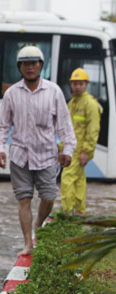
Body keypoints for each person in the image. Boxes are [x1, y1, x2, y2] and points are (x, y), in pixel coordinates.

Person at [0, 45, 77, 256]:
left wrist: (68, 149)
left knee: (48, 197)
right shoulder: (12, 93)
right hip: (20, 155)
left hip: (47, 155)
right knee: (23, 199)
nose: (30, 67)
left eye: (34, 63)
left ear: (41, 65)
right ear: (20, 67)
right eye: (25, 64)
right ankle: (28, 243)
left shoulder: (53, 91)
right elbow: (3, 125)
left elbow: (64, 124)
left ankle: (38, 224)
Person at [60, 67, 102, 217]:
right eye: (75, 83)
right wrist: (61, 147)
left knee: (67, 178)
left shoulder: (90, 104)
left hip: (80, 150)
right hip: (72, 149)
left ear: (86, 85)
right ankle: (79, 211)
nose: (77, 86)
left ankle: (66, 212)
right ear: (71, 85)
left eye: (80, 83)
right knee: (78, 179)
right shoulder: (72, 103)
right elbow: (66, 127)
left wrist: (87, 151)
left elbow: (93, 129)